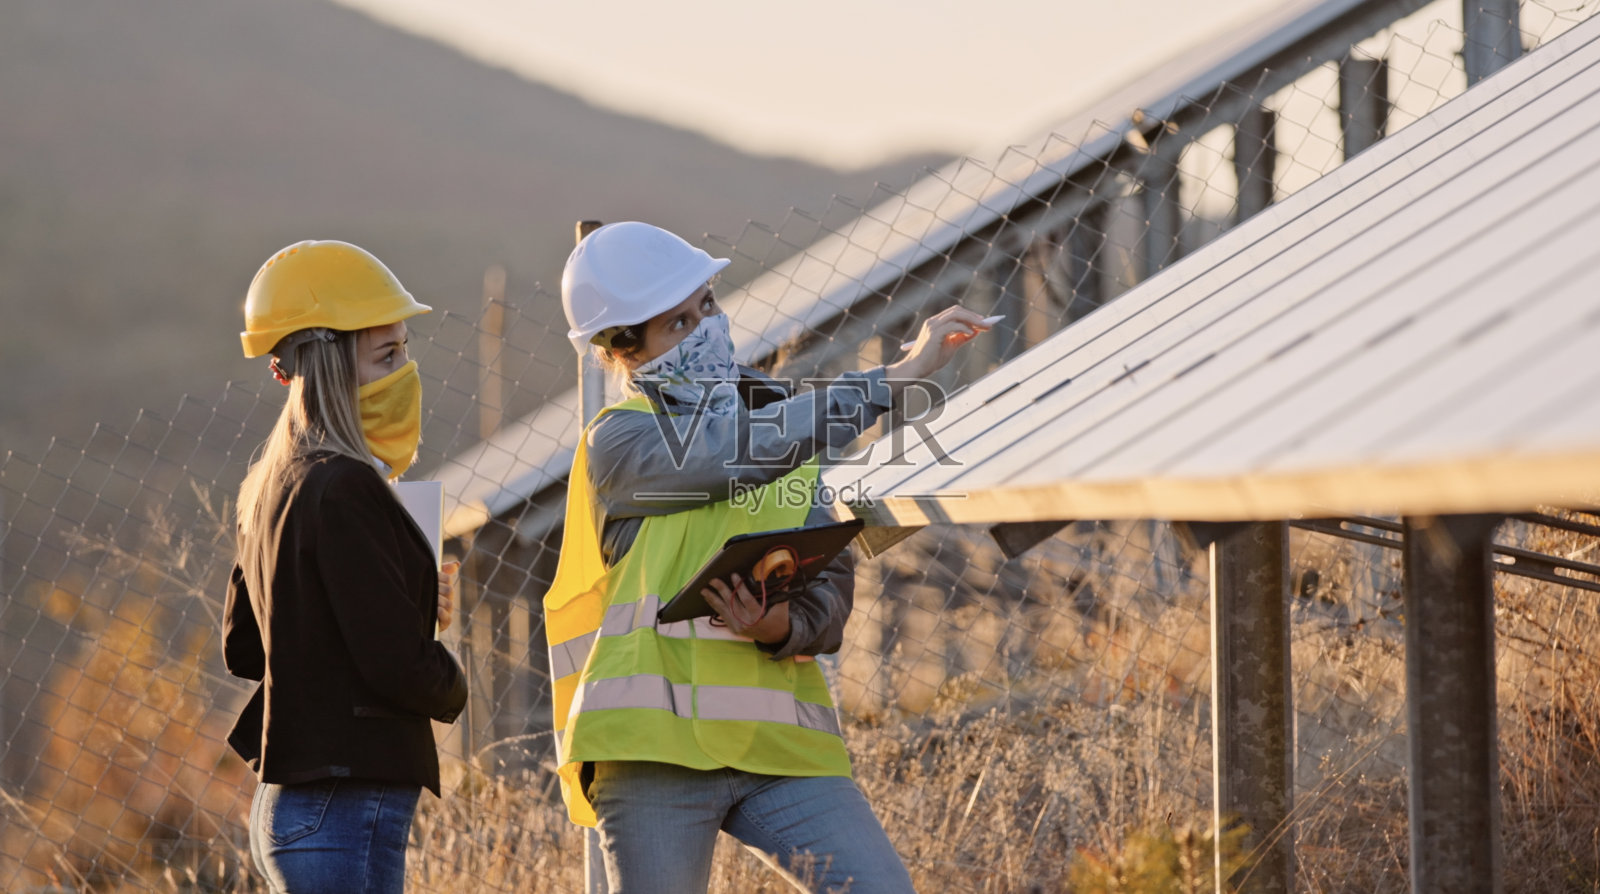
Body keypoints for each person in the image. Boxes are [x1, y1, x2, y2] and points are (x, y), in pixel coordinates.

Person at [545, 221, 989, 893]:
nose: (706, 330)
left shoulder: (782, 421)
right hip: (652, 750)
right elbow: (732, 453)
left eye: (707, 306)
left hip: (779, 744)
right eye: (677, 324)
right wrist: (891, 380)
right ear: (621, 350)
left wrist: (780, 625)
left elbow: (829, 584)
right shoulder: (620, 443)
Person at [223, 240, 469, 894]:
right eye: (386, 355)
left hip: (291, 807)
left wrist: (406, 603)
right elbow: (395, 664)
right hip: (343, 805)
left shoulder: (267, 486)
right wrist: (450, 678)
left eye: (404, 352)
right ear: (331, 363)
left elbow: (246, 648)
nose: (405, 371)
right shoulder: (347, 485)